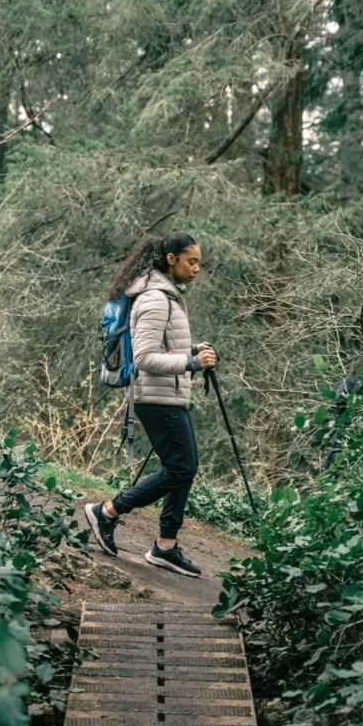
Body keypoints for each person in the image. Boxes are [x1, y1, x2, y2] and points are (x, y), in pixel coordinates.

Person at [85, 231, 216, 577]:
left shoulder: (166, 295)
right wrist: (191, 364)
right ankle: (107, 512)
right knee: (180, 469)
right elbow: (144, 358)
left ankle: (166, 546)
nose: (197, 268)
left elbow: (162, 350)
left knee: (184, 469)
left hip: (169, 395)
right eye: (192, 261)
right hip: (155, 399)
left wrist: (191, 353)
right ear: (171, 260)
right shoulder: (156, 299)